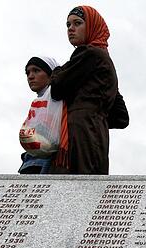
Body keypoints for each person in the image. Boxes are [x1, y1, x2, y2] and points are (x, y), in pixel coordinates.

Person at [49, 5, 129, 174]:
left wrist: (55, 70)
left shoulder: (89, 53)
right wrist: (97, 116)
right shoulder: (104, 62)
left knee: (76, 188)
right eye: (68, 25)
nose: (71, 29)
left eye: (77, 23)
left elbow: (56, 87)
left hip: (80, 132)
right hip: (96, 133)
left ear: (92, 25)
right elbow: (121, 117)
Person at [19, 56, 60, 174]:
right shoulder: (38, 101)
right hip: (30, 160)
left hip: (49, 161)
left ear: (50, 74)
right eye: (28, 73)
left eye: (36, 71)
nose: (30, 76)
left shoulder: (57, 99)